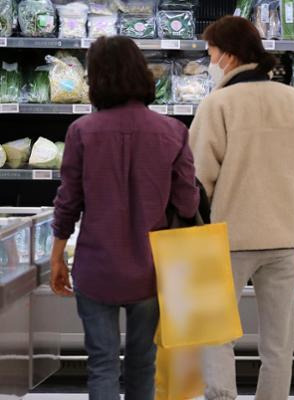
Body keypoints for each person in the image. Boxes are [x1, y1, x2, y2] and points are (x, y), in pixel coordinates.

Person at [189, 16, 294, 400]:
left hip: (228, 240)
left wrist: (189, 233)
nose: (209, 61)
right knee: (278, 342)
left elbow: (198, 178)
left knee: (217, 334)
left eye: (210, 54)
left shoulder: (217, 104)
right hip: (283, 239)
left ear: (228, 55)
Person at [49, 36, 200, 400]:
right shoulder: (173, 131)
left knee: (102, 365)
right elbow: (188, 202)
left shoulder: (81, 132)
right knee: (142, 364)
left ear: (97, 78)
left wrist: (57, 256)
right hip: (151, 269)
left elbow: (68, 201)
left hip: (96, 266)